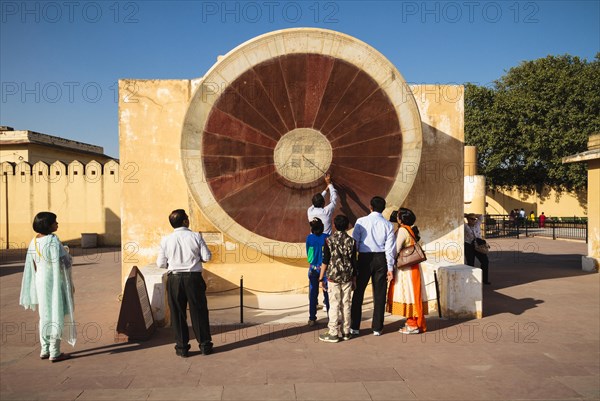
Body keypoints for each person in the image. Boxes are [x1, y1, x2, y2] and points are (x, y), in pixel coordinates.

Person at [20, 212, 76, 362]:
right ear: (48, 225)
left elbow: (33, 264)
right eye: (55, 222)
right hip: (54, 281)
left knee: (44, 314)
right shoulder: (53, 240)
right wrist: (67, 252)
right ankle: (55, 352)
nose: (57, 224)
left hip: (40, 281)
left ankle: (44, 349)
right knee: (55, 312)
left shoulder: (33, 242)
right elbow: (65, 262)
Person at [157, 209, 213, 357]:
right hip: (193, 278)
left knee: (177, 313)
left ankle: (182, 348)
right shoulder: (195, 236)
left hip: (174, 279)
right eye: (187, 218)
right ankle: (205, 346)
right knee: (199, 312)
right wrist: (196, 260)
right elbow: (207, 257)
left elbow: (161, 264)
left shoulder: (165, 240)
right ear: (185, 221)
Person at [350, 196, 396, 336]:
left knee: (358, 292)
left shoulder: (361, 222)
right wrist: (390, 268)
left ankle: (355, 326)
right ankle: (377, 327)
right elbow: (390, 249)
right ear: (383, 208)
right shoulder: (388, 225)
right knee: (380, 293)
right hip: (381, 258)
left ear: (370, 207)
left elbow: (354, 243)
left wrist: (356, 260)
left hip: (364, 257)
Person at [386, 208, 428, 334]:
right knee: (412, 295)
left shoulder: (403, 231)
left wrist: (388, 263)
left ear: (401, 219)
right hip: (412, 267)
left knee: (409, 295)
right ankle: (412, 323)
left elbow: (395, 249)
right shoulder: (410, 229)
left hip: (406, 270)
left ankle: (413, 324)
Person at [318, 215, 357, 343]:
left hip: (333, 276)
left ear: (334, 226)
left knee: (334, 304)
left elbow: (325, 260)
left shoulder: (329, 240)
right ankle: (346, 331)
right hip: (347, 276)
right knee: (346, 304)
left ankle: (333, 332)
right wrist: (354, 279)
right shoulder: (352, 241)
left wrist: (320, 278)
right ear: (347, 226)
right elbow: (354, 262)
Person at [306, 217, 330, 326]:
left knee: (313, 294)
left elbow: (309, 256)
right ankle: (331, 317)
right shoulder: (327, 238)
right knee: (327, 294)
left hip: (313, 269)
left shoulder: (309, 239)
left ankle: (312, 318)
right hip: (325, 270)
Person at [464, 213, 490, 285]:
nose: (473, 220)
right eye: (471, 219)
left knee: (485, 261)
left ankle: (485, 280)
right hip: (469, 245)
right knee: (470, 263)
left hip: (479, 245)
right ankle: (470, 280)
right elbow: (460, 217)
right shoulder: (465, 226)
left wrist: (473, 215)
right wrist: (466, 215)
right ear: (468, 219)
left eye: (474, 219)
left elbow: (481, 216)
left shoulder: (477, 224)